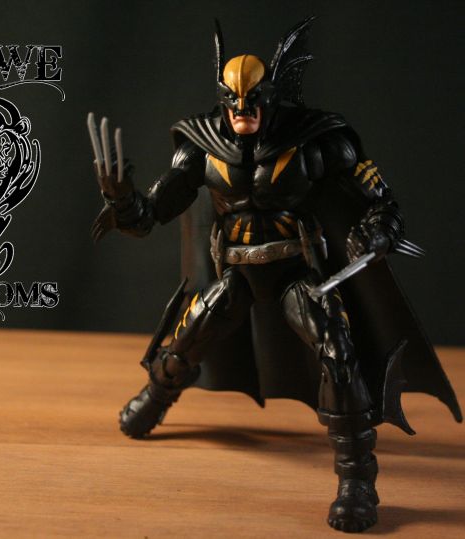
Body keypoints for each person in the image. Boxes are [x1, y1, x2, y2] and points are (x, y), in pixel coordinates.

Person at [88, 17, 461, 533]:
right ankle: (156, 397)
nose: (242, 113)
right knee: (191, 333)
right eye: (233, 103)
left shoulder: (315, 141)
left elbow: (380, 198)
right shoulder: (201, 145)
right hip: (237, 273)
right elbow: (151, 215)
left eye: (252, 102)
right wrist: (122, 201)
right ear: (223, 100)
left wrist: (379, 227)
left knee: (337, 350)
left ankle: (357, 479)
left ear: (271, 96)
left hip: (295, 273)